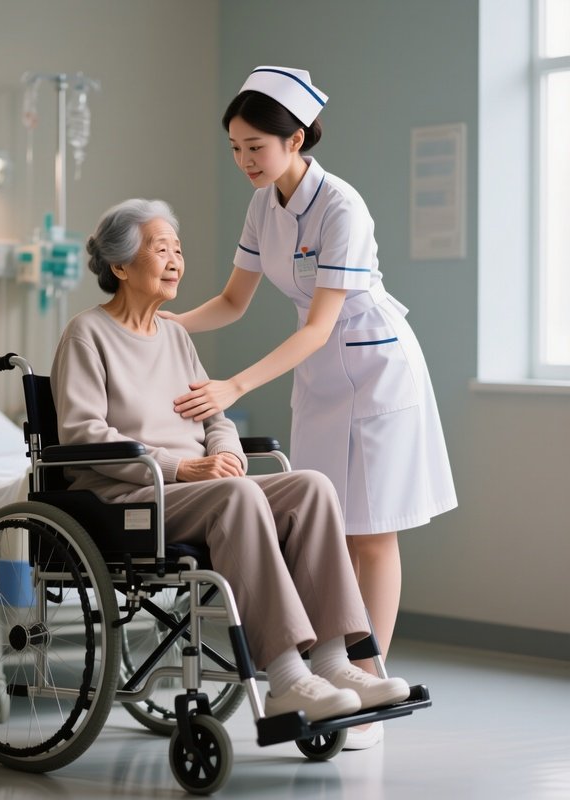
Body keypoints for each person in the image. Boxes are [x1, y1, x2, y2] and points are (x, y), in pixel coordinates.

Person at [160, 67, 457, 748]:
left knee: (372, 533)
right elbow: (234, 301)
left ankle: (367, 682)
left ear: (295, 139)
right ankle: (333, 672)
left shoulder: (341, 207)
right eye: (235, 148)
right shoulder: (264, 203)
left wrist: (232, 387)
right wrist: (165, 322)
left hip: (375, 371)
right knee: (323, 528)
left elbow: (320, 325)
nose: (243, 161)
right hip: (319, 379)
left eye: (255, 147)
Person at [50, 197, 411, 725]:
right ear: (121, 266)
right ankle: (287, 679)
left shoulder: (175, 336)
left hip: (200, 489)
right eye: (160, 249)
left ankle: (334, 662)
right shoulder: (88, 334)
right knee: (237, 496)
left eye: (178, 248)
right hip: (132, 495)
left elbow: (214, 412)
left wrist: (222, 451)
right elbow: (83, 434)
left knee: (311, 486)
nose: (175, 259)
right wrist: (180, 468)